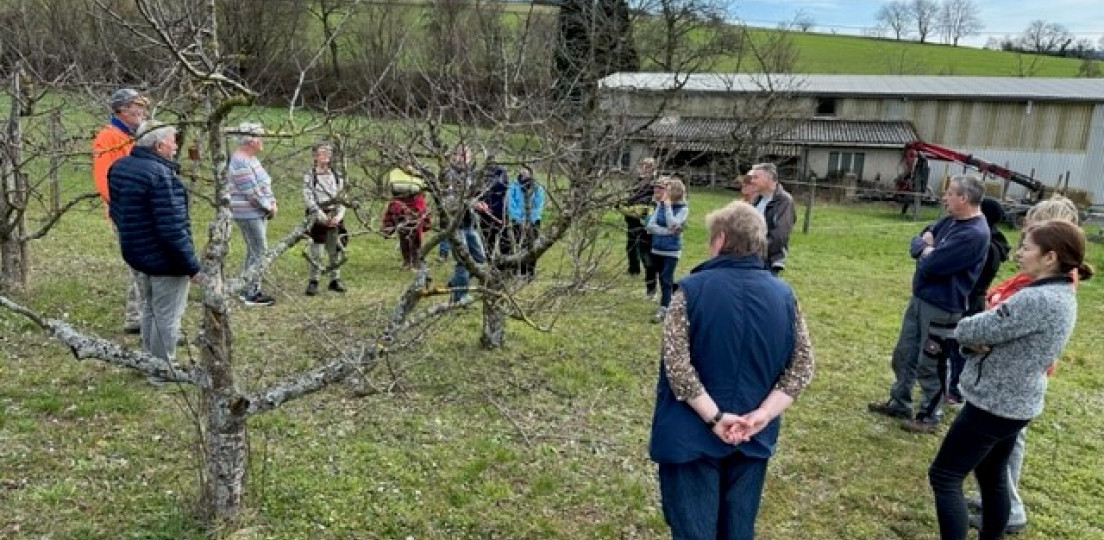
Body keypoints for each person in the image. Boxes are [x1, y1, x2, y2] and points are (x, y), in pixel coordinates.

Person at [649, 200, 814, 540]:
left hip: (690, 437)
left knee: (695, 532)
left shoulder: (689, 291)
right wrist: (762, 416)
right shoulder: (785, 296)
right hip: (752, 438)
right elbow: (802, 367)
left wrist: (715, 417)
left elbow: (678, 366)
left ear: (720, 239)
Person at [928, 219, 1092, 540]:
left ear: (1050, 257)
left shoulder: (1034, 300)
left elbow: (971, 328)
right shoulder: (1062, 293)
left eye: (1027, 248)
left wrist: (971, 336)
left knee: (945, 476)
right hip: (1019, 402)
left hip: (994, 404)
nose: (1019, 254)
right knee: (992, 476)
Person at [964, 195, 1081, 535]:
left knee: (1009, 444)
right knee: (1003, 446)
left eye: (1033, 228)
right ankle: (994, 498)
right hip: (1010, 367)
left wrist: (988, 319)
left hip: (1014, 373)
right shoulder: (1041, 275)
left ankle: (1009, 507)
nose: (1025, 237)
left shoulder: (1046, 282)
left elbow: (1011, 312)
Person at [868, 175, 989, 432]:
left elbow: (932, 265)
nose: (944, 198)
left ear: (963, 198)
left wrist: (927, 251)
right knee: (905, 353)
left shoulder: (973, 233)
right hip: (921, 299)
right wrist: (925, 247)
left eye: (949, 194)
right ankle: (899, 401)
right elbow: (920, 239)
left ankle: (929, 415)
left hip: (943, 308)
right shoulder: (950, 221)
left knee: (931, 362)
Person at [107, 121, 202, 384]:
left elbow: (115, 211)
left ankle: (149, 362)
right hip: (164, 259)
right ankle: (162, 372)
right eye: (173, 140)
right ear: (159, 145)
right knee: (167, 316)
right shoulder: (162, 177)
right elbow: (173, 230)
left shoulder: (120, 167)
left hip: (136, 252)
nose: (176, 145)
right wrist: (192, 267)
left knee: (149, 308)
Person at [92, 87, 150, 334]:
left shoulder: (133, 135)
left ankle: (136, 316)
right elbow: (104, 179)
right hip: (126, 212)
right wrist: (125, 209)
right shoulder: (108, 137)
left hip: (138, 210)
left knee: (140, 263)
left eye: (142, 106)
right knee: (139, 264)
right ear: (121, 110)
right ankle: (141, 318)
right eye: (136, 106)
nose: (142, 111)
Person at [944, 197, 1010, 405]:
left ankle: (955, 389)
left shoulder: (988, 246)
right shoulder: (994, 241)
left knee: (957, 345)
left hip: (969, 299)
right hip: (972, 298)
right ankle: (953, 385)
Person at [227, 122, 279, 306]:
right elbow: (251, 191)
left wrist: (272, 201)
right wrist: (268, 206)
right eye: (259, 137)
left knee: (254, 250)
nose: (262, 140)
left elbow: (264, 184)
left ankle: (246, 286)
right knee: (259, 250)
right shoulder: (240, 160)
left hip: (258, 211)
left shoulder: (252, 159)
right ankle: (251, 292)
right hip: (247, 213)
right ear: (250, 141)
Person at [302, 141, 348, 295]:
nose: (326, 155)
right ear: (315, 155)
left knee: (336, 249)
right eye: (322, 152)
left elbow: (343, 198)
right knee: (317, 251)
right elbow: (309, 199)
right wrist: (321, 217)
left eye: (328, 152)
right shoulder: (310, 176)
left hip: (334, 216)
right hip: (317, 216)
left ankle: (335, 280)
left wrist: (338, 217)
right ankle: (313, 281)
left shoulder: (337, 176)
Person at [444, 144, 487, 303]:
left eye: (465, 155)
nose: (461, 158)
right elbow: (448, 201)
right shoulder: (448, 175)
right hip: (455, 225)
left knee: (480, 258)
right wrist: (470, 203)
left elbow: (473, 195)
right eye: (459, 155)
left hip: (469, 223)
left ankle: (455, 283)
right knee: (463, 261)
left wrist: (479, 203)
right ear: (454, 156)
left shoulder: (471, 175)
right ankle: (459, 297)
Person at [645, 177, 688, 323]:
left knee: (665, 278)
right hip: (657, 247)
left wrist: (668, 207)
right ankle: (674, 295)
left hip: (671, 250)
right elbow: (650, 226)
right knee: (659, 275)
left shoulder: (683, 209)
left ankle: (664, 308)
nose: (663, 192)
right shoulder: (659, 205)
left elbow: (673, 223)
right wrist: (667, 232)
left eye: (667, 190)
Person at [745, 163, 796, 275]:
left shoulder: (784, 201)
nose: (752, 181)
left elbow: (780, 235)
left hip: (767, 259)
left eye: (756, 177)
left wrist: (758, 250)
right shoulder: (756, 198)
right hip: (749, 256)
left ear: (769, 179)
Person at [505, 164, 545, 279]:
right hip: (517, 222)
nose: (525, 172)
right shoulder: (513, 186)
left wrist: (530, 220)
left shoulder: (538, 187)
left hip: (533, 222)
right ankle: (520, 272)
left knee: (532, 247)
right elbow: (511, 204)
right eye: (523, 169)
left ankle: (530, 272)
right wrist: (520, 219)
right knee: (519, 246)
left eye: (528, 170)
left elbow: (538, 205)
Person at [382, 182, 430, 271]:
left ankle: (415, 261)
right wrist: (388, 227)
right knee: (404, 237)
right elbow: (390, 214)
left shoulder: (417, 198)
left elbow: (422, 211)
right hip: (403, 212)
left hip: (414, 210)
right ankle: (407, 261)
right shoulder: (397, 201)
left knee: (415, 238)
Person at [623, 158, 657, 276]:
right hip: (632, 217)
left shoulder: (653, 183)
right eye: (643, 166)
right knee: (631, 245)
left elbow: (647, 198)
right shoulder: (637, 181)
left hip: (643, 217)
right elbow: (632, 195)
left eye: (647, 166)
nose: (644, 169)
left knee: (644, 246)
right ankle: (633, 268)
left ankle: (649, 268)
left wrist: (634, 203)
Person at [478, 155, 509, 256]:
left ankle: (502, 259)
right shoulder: (482, 173)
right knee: (488, 238)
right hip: (487, 210)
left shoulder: (501, 172)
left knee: (501, 238)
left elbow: (504, 186)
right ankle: (491, 258)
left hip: (498, 210)